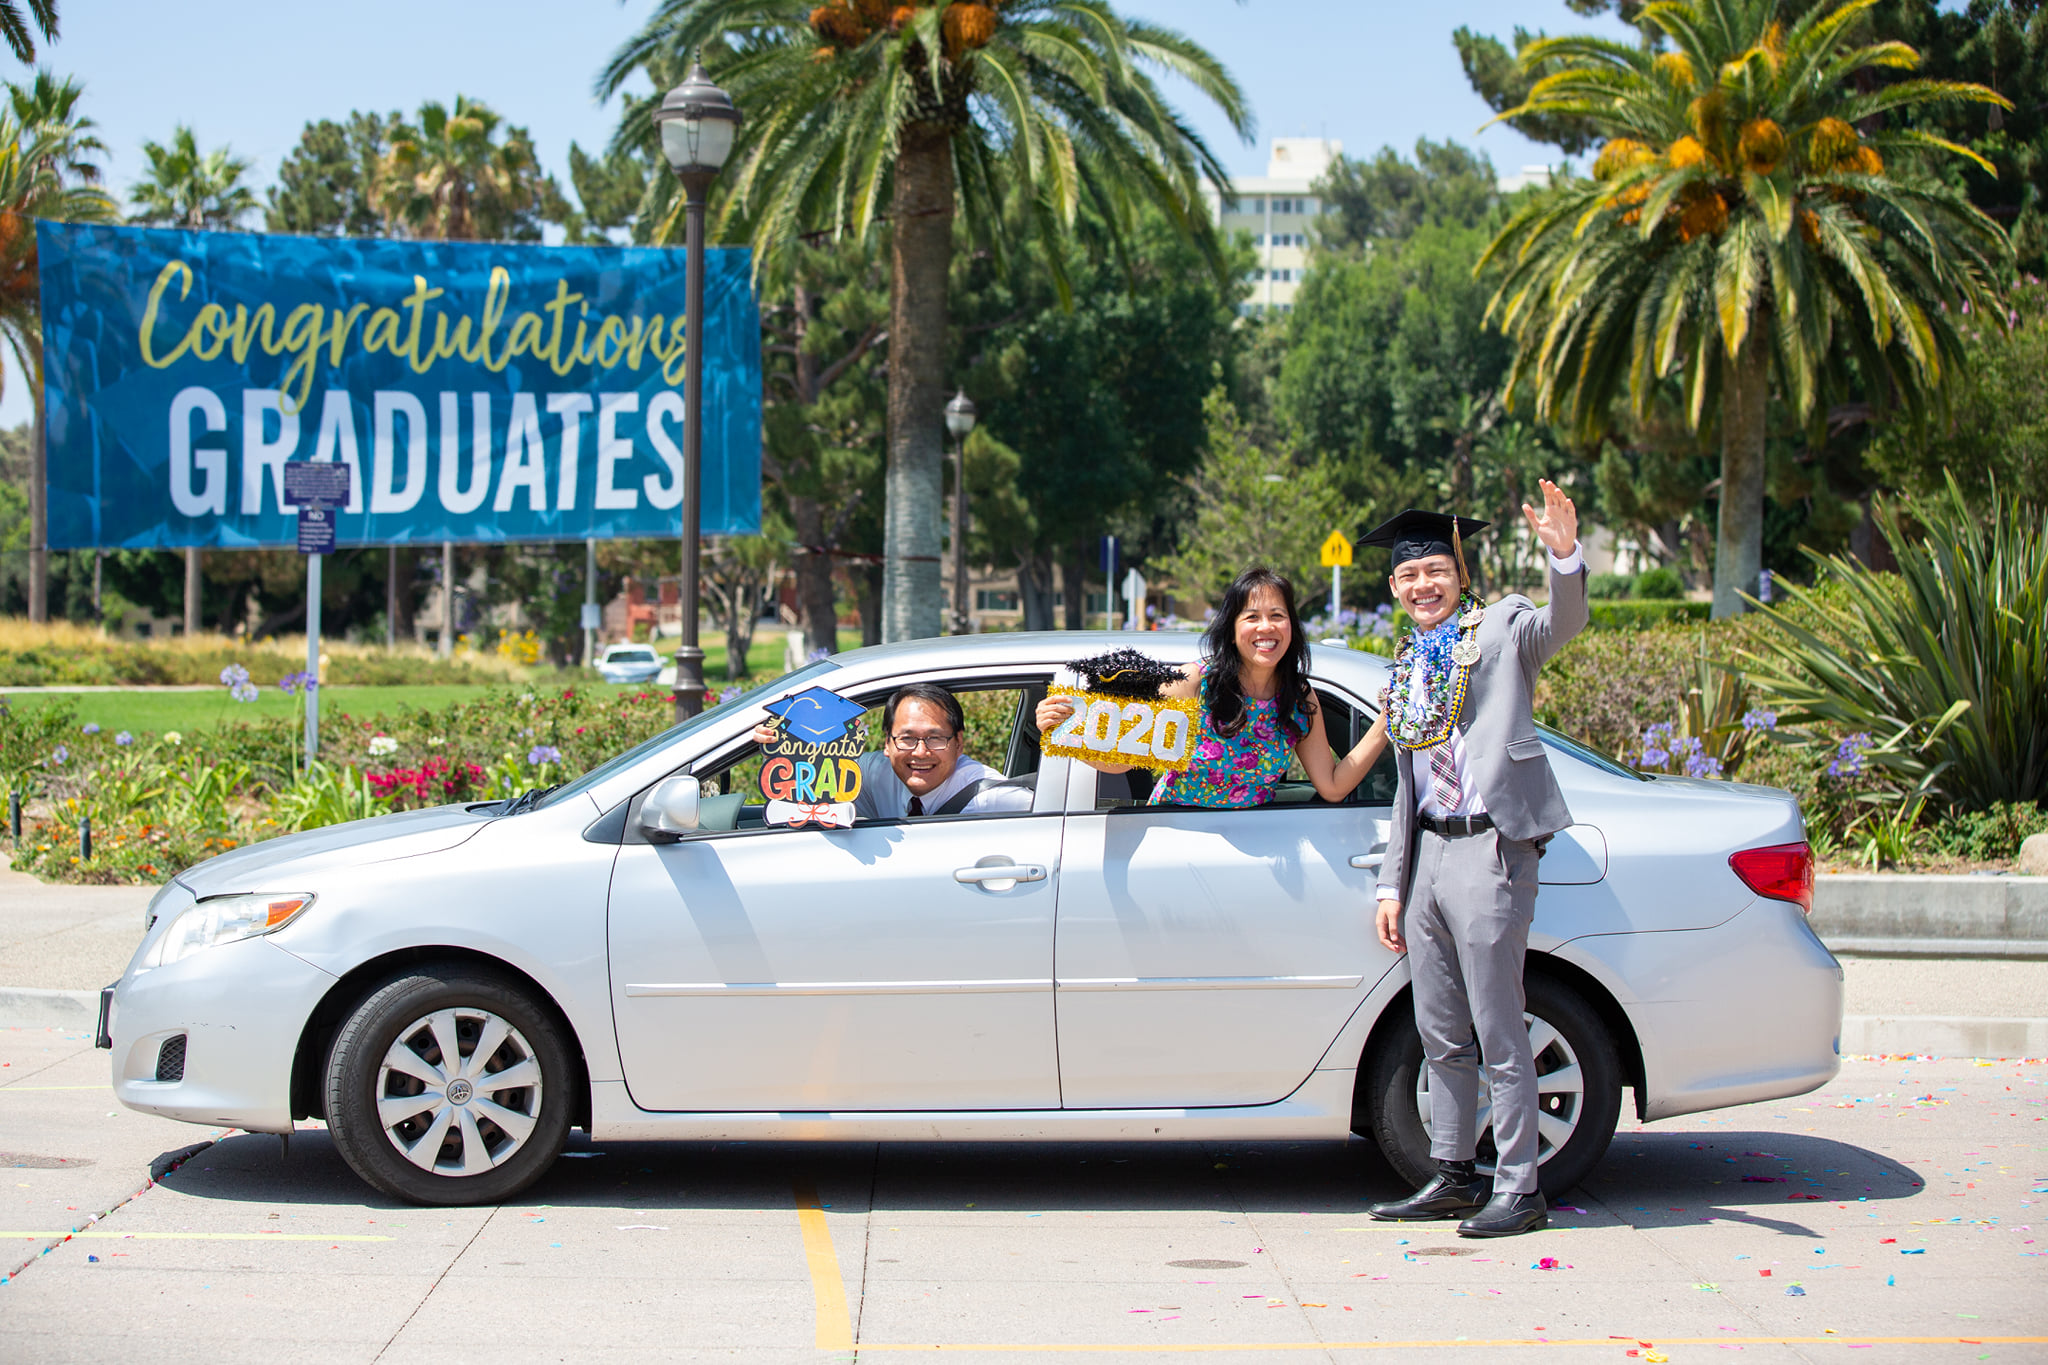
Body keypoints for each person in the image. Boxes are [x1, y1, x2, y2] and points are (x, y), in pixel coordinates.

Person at [1363, 481, 1588, 1239]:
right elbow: (1407, 784)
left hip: (1492, 842)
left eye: (1435, 570)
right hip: (1429, 852)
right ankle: (1454, 1173)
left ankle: (1521, 1186)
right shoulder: (1406, 665)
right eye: (1407, 576)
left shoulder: (1501, 627)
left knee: (1500, 1026)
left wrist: (1565, 556)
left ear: (1459, 574)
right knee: (1440, 1028)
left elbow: (1564, 623)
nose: (1422, 584)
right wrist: (1394, 884)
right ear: (1394, 588)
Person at [1034, 566, 1387, 808]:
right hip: (1178, 840)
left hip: (1254, 851)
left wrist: (1390, 717)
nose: (1266, 627)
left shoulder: (1297, 697)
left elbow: (1333, 785)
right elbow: (1122, 762)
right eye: (1252, 617)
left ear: (1291, 625)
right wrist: (1067, 730)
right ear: (1232, 630)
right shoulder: (1194, 684)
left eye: (1277, 616)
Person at [753, 681, 1032, 819]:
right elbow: (819, 770)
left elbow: (1062, 823)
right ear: (887, 743)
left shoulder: (992, 798)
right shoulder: (875, 774)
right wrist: (778, 743)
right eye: (907, 738)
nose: (920, 752)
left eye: (936, 738)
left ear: (959, 743)